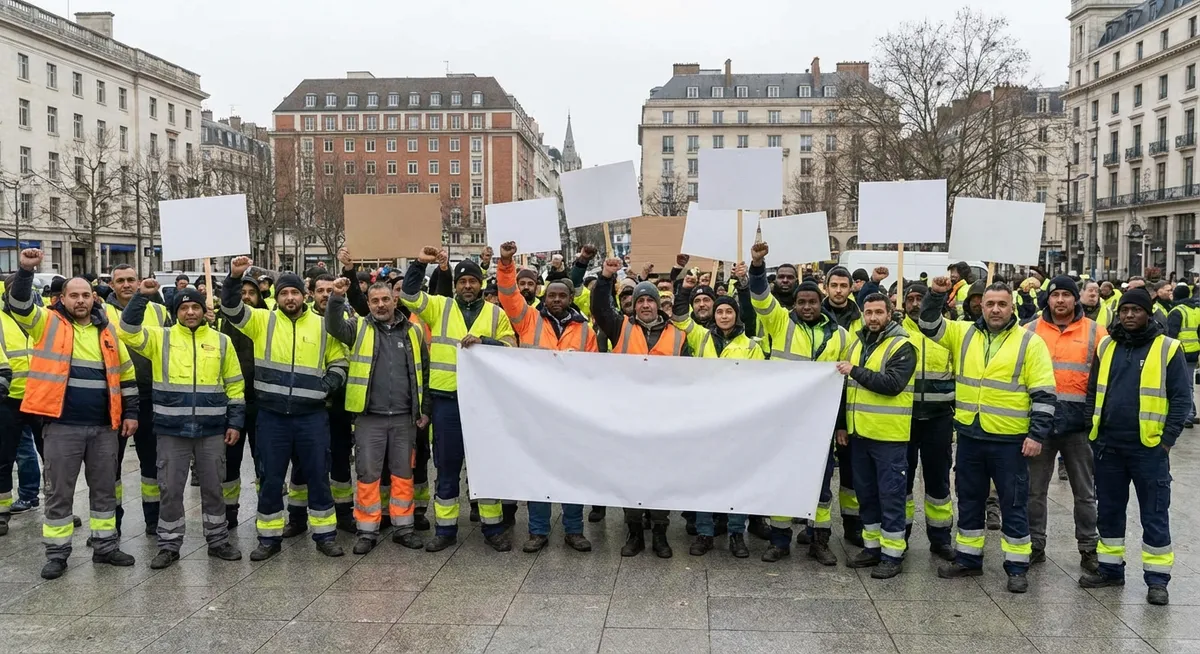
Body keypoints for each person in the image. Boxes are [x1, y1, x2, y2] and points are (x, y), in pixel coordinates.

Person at [7, 249, 138, 580]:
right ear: (61, 298)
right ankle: (57, 553)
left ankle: (105, 547)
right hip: (62, 426)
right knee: (58, 494)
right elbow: (20, 304)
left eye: (85, 295)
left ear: (94, 297)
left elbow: (126, 375)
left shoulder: (108, 331)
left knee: (105, 490)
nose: (80, 300)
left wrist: (131, 413)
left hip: (104, 427)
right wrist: (25, 270)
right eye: (73, 295)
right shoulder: (46, 323)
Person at [921, 276, 1056, 594]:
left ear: (1012, 307)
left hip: (1010, 440)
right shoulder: (963, 333)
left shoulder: (1029, 342)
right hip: (970, 435)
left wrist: (1037, 434)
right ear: (980, 305)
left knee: (1013, 503)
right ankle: (968, 559)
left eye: (1002, 304)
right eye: (990, 304)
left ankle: (1017, 566)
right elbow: (928, 324)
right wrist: (936, 294)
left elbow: (1044, 394)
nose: (996, 309)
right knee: (969, 500)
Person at [221, 256, 349, 561]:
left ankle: (325, 535)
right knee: (271, 478)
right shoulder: (262, 320)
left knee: (318, 475)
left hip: (311, 416)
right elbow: (230, 308)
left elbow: (340, 361)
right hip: (272, 415)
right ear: (276, 297)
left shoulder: (322, 325)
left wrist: (326, 385)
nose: (289, 298)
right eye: (283, 293)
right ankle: (269, 538)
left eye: (293, 293)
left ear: (303, 296)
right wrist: (233, 278)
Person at [118, 280, 244, 569]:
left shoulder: (221, 341)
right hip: (172, 431)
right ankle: (169, 544)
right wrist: (141, 296)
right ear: (176, 311)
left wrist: (235, 422)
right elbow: (127, 331)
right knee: (170, 489)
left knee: (214, 487)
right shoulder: (160, 338)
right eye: (184, 307)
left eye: (195, 307)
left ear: (203, 310)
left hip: (211, 430)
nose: (190, 312)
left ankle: (218, 540)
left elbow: (235, 386)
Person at [400, 246, 516, 552]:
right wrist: (418, 264)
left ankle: (492, 528)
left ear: (480, 284)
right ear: (455, 284)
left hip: (483, 403)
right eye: (462, 281)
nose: (467, 286)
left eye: (472, 281)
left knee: (486, 466)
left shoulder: (495, 314)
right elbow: (409, 296)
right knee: (447, 466)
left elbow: (510, 346)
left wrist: (485, 342)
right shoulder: (440, 307)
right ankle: (446, 529)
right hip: (447, 401)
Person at [1079, 288, 1190, 605]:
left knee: (1154, 515)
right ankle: (1111, 571)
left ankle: (1157, 581)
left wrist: (1167, 441)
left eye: (1136, 310)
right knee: (1110, 513)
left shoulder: (1168, 348)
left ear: (1148, 313)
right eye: (1124, 310)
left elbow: (1182, 399)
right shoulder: (1106, 345)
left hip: (1149, 449)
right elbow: (1093, 391)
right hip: (1109, 447)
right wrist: (1092, 430)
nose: (1129, 315)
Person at [749, 242, 845, 565]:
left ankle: (820, 540)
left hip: (821, 424)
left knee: (821, 487)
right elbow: (761, 298)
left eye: (812, 301)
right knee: (782, 480)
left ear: (822, 301)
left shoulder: (841, 336)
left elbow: (845, 384)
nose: (806, 306)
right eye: (801, 302)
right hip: (785, 421)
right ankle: (779, 541)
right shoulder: (780, 323)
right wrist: (759, 267)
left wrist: (842, 423)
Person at [496, 242, 596, 553]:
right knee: (537, 472)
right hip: (535, 412)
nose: (555, 300)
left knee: (573, 473)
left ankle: (574, 530)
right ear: (544, 296)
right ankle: (538, 531)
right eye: (550, 295)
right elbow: (508, 294)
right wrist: (506, 262)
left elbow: (592, 374)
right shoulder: (527, 319)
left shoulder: (585, 330)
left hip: (570, 414)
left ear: (570, 299)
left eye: (561, 296)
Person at [592, 254, 689, 559]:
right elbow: (599, 308)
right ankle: (634, 534)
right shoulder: (621, 327)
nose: (645, 305)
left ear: (659, 305)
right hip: (628, 418)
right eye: (640, 301)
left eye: (650, 301)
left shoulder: (679, 336)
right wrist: (606, 278)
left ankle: (660, 534)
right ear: (633, 305)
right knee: (630, 476)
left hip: (663, 420)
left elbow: (688, 379)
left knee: (659, 478)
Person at [325, 275, 429, 555]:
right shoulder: (357, 327)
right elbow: (333, 326)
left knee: (403, 474)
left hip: (404, 418)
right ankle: (367, 531)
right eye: (374, 301)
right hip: (369, 417)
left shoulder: (413, 332)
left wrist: (424, 411)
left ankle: (403, 528)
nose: (381, 305)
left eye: (385, 299)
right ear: (368, 304)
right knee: (368, 475)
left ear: (395, 300)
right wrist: (336, 298)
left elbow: (424, 373)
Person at [1021, 276, 1101, 573]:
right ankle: (1034, 544)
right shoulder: (1030, 330)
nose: (1061, 301)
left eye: (1067, 295)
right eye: (1056, 295)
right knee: (1034, 491)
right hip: (1040, 425)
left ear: (1076, 298)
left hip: (1078, 427)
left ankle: (1088, 547)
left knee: (1084, 493)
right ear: (1048, 299)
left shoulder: (1096, 333)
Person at [838, 292, 916, 578]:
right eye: (868, 312)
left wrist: (855, 370)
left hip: (888, 438)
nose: (872, 317)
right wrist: (843, 425)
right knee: (866, 495)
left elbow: (893, 384)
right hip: (860, 435)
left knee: (891, 496)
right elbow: (846, 390)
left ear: (889, 313)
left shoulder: (903, 345)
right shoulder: (857, 343)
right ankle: (872, 548)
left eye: (878, 312)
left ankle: (892, 555)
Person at [280, 274, 355, 535]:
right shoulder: (303, 322)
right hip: (306, 406)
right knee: (301, 463)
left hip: (339, 403)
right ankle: (297, 518)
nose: (325, 295)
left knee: (340, 460)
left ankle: (344, 513)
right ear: (310, 293)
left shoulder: (344, 321)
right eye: (320, 290)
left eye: (329, 290)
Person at [103, 264, 170, 535]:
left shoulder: (159, 310)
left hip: (151, 394)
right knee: (109, 465)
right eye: (120, 281)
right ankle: (112, 523)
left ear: (139, 281)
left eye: (131, 279)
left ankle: (153, 520)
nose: (127, 285)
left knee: (152, 463)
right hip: (114, 396)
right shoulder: (101, 312)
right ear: (111, 285)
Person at [899, 283, 957, 562]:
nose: (914, 303)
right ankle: (901, 533)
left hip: (938, 418)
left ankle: (941, 538)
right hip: (905, 418)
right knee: (902, 482)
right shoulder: (896, 332)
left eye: (919, 298)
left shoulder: (948, 332)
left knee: (938, 483)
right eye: (909, 299)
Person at [821, 266, 866, 547]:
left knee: (851, 474)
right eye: (834, 285)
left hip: (852, 406)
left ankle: (852, 524)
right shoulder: (812, 314)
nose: (838, 290)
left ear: (851, 288)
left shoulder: (863, 320)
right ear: (826, 287)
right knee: (818, 471)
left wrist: (843, 421)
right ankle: (815, 526)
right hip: (819, 407)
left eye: (843, 285)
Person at [219, 275, 265, 529]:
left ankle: (266, 509)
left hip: (261, 404)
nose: (246, 297)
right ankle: (229, 512)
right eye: (242, 292)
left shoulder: (267, 322)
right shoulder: (219, 322)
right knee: (229, 464)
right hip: (230, 404)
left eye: (251, 292)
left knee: (264, 462)